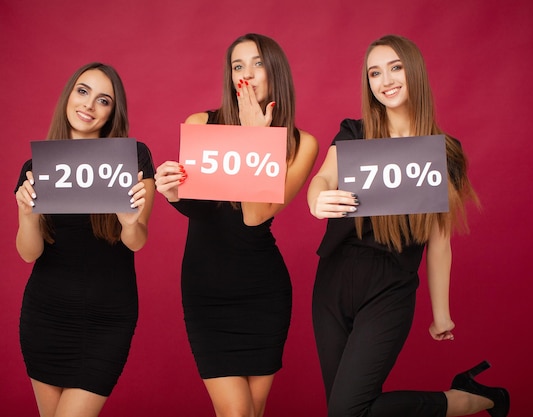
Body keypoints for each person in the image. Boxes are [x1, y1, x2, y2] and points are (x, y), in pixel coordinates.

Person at [307, 35, 509, 417]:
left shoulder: (444, 152)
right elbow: (322, 180)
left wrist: (441, 312)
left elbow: (440, 242)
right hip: (333, 280)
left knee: (347, 412)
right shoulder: (354, 132)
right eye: (375, 73)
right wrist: (316, 201)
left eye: (395, 67)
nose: (386, 80)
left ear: (414, 70)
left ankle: (467, 400)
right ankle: (466, 393)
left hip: (391, 286)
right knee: (345, 412)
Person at [154, 33, 318, 417]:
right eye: (237, 66)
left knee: (253, 412)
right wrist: (172, 192)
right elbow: (197, 207)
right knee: (237, 412)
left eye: (258, 63)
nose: (247, 74)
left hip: (262, 292)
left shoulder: (301, 143)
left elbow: (255, 214)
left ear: (275, 71)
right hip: (206, 291)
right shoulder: (201, 123)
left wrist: (253, 137)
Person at [14, 62, 155, 417]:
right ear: (68, 97)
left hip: (107, 318)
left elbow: (137, 241)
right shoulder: (35, 168)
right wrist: (29, 218)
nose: (89, 105)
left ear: (112, 112)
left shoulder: (133, 159)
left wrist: (129, 222)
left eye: (103, 100)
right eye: (82, 91)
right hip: (46, 315)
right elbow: (28, 253)